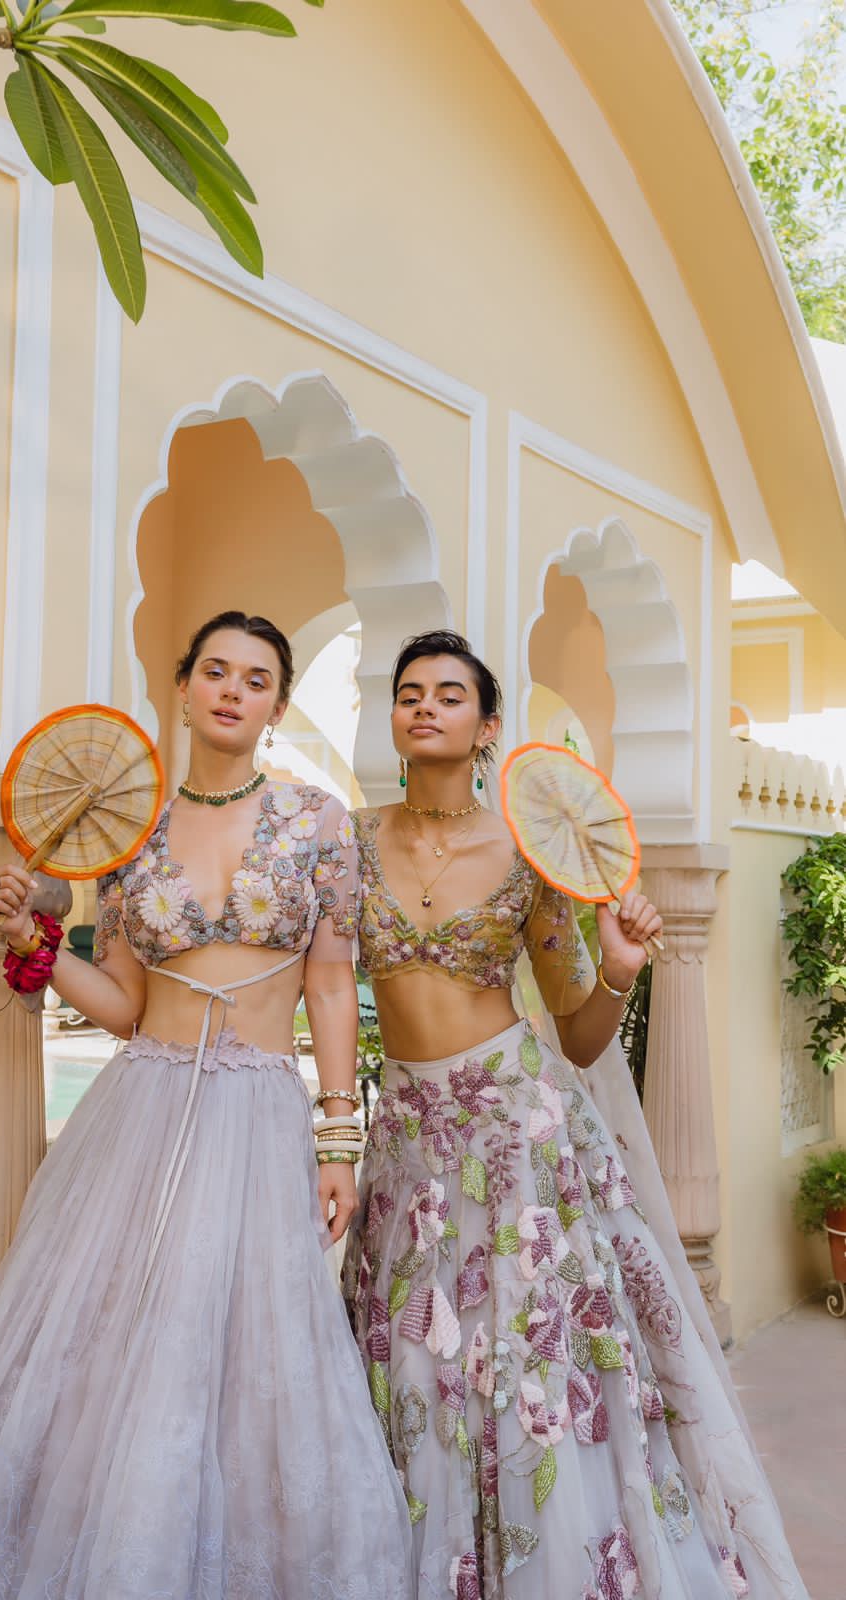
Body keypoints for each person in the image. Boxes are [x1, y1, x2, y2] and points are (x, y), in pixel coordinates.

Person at [0, 610, 413, 1599]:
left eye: (255, 678)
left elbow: (333, 984)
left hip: (260, 1117)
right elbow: (127, 1005)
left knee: (248, 1352)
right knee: (109, 1345)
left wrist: (338, 1135)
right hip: (141, 1111)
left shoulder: (318, 823)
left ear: (277, 703)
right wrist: (35, 947)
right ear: (182, 687)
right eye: (214, 671)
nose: (231, 690)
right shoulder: (134, 834)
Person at [343, 629, 809, 1600]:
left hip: (517, 1148)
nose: (425, 705)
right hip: (405, 1150)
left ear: (487, 726)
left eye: (449, 694)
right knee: (418, 1369)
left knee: (522, 1369)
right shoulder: (348, 842)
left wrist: (625, 972)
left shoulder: (526, 854)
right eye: (409, 692)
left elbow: (580, 1033)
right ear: (391, 716)